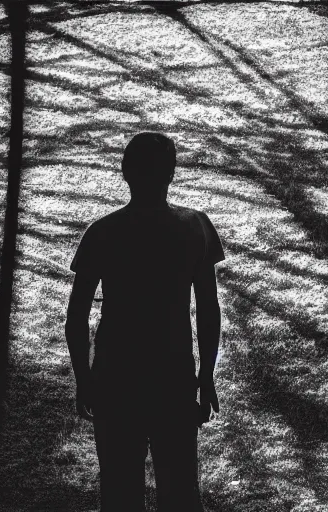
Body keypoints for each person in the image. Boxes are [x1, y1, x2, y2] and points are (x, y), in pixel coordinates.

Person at [64, 132, 225, 512]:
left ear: (125, 172)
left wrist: (83, 378)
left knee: (120, 494)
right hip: (174, 376)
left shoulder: (102, 233)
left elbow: (77, 315)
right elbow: (208, 307)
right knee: (182, 492)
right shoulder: (195, 227)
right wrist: (206, 376)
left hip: (115, 376)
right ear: (171, 173)